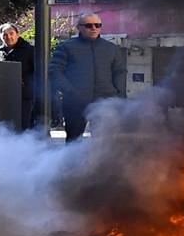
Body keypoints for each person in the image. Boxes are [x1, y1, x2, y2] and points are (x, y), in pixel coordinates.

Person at [49, 13, 127, 142]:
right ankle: (72, 162)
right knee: (74, 141)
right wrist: (70, 91)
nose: (94, 28)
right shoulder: (66, 47)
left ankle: (100, 162)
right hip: (75, 103)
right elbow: (54, 71)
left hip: (104, 102)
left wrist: (118, 94)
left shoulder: (111, 48)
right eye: (89, 25)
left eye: (97, 25)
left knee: (103, 141)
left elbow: (120, 72)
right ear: (79, 27)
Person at [0, 23, 35, 130]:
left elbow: (39, 72)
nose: (8, 37)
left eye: (11, 33)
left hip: (24, 96)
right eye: (5, 35)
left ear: (17, 34)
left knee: (23, 125)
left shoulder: (30, 50)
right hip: (4, 95)